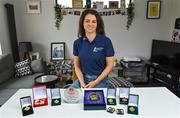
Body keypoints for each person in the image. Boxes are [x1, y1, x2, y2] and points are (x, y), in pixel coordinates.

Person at [71, 9, 114, 88]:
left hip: (100, 80)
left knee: (94, 98)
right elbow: (77, 66)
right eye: (87, 21)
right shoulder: (77, 43)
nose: (90, 24)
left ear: (97, 24)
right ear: (82, 23)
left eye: (94, 21)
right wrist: (82, 82)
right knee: (69, 95)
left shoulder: (106, 41)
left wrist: (96, 82)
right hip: (83, 79)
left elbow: (110, 65)